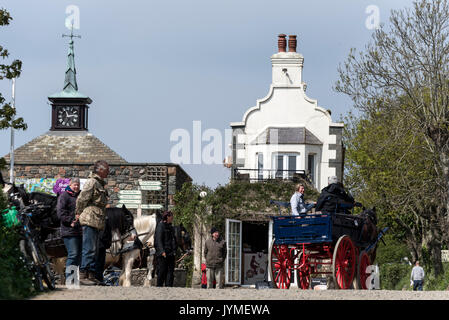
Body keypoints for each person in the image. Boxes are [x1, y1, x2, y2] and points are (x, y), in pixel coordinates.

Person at [76, 160, 110, 285]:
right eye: (106, 169)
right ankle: (83, 275)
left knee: (94, 250)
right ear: (100, 170)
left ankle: (91, 275)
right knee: (88, 249)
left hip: (97, 221)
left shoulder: (100, 184)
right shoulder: (92, 182)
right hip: (90, 219)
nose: (108, 172)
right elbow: (82, 199)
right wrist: (78, 213)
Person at [56, 178, 81, 283]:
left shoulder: (80, 196)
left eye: (78, 185)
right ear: (70, 185)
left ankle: (73, 279)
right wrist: (71, 220)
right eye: (75, 185)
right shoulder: (64, 196)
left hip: (79, 231)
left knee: (77, 256)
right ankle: (70, 279)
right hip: (69, 231)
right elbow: (60, 212)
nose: (76, 187)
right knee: (73, 254)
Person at [154, 210, 177, 287]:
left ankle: (169, 287)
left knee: (170, 272)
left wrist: (174, 251)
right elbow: (158, 240)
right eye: (171, 216)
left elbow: (173, 240)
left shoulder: (171, 227)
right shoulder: (160, 226)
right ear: (167, 217)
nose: (172, 218)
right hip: (163, 254)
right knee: (162, 271)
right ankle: (159, 286)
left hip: (171, 254)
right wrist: (162, 251)